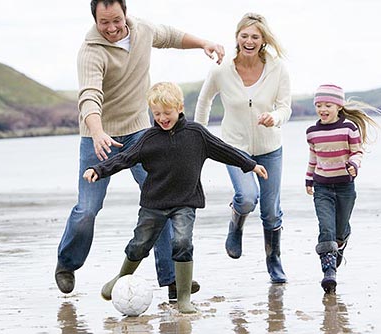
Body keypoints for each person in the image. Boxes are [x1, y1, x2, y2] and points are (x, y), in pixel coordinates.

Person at [55, 0, 226, 299]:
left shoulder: (142, 30)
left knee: (161, 200)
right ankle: (66, 264)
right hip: (98, 135)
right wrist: (97, 133)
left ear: (125, 13)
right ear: (94, 19)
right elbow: (89, 97)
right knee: (87, 210)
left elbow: (171, 36)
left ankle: (173, 279)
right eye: (103, 22)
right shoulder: (91, 52)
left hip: (139, 132)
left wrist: (204, 43)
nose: (111, 28)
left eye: (116, 20)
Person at [83, 82, 268, 313]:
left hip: (185, 202)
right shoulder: (148, 138)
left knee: (182, 242)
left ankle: (183, 299)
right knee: (140, 244)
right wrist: (98, 169)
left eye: (167, 112)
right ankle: (120, 277)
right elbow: (125, 158)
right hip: (154, 204)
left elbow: (224, 150)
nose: (162, 118)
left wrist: (250, 165)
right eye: (157, 113)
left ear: (180, 107)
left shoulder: (196, 134)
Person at [194, 12, 291, 283]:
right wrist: (199, 136)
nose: (249, 41)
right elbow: (204, 103)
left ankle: (274, 260)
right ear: (237, 38)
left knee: (271, 211)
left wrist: (276, 118)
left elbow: (285, 106)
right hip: (234, 148)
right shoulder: (221, 70)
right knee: (247, 198)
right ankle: (236, 222)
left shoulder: (277, 68)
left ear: (263, 41)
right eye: (244, 35)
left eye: (255, 37)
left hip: (270, 148)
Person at [305, 84, 381, 293]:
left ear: (338, 106)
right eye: (319, 105)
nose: (322, 109)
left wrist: (353, 165)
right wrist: (309, 179)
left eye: (327, 105)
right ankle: (329, 272)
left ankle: (342, 239)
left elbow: (357, 152)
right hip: (322, 187)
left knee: (339, 230)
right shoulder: (312, 132)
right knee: (326, 228)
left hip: (345, 186)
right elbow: (313, 158)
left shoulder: (349, 128)